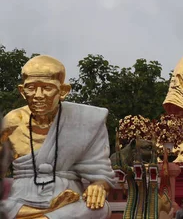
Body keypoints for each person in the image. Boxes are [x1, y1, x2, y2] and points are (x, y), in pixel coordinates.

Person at [0, 55, 116, 219]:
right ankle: (46, 214)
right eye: (31, 88)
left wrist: (99, 186)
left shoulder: (85, 120)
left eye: (47, 88)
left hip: (69, 199)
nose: (38, 95)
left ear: (63, 91)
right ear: (21, 90)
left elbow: (100, 172)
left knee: (98, 208)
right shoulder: (11, 122)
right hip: (20, 200)